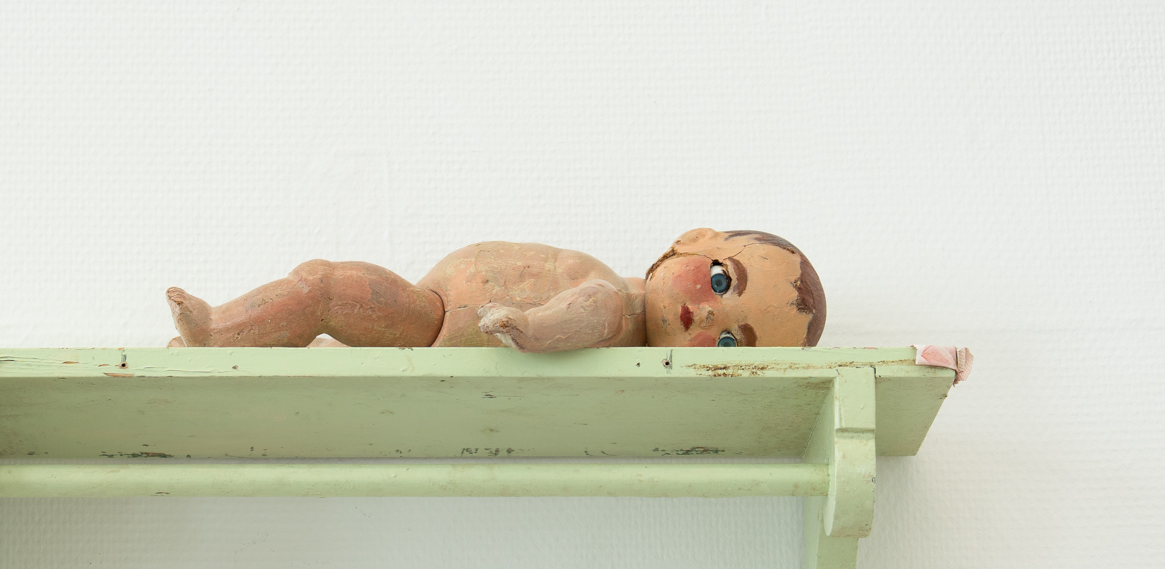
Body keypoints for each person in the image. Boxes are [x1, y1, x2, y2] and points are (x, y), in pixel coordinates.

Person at [166, 228, 825, 353]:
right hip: (443, 302)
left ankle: (218, 334)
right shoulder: (622, 290)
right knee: (325, 288)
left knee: (326, 288)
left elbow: (584, 314)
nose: (704, 312)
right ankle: (223, 334)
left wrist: (531, 327)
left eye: (730, 341)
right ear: (692, 240)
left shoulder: (619, 312)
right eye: (720, 279)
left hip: (444, 323)